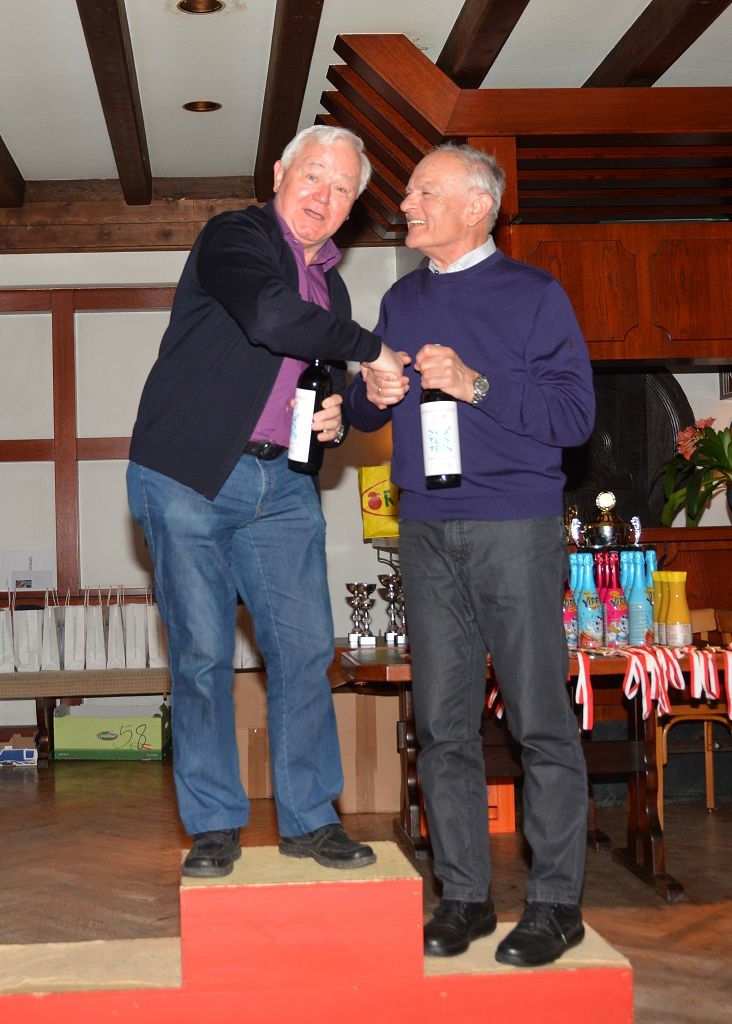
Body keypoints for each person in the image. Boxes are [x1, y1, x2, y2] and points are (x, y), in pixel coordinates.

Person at [127, 124, 406, 878]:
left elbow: (319, 382)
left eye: (342, 187)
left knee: (306, 649)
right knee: (202, 655)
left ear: (352, 206)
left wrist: (339, 410)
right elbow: (270, 318)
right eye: (313, 175)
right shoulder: (235, 237)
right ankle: (215, 823)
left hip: (282, 485)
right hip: (188, 473)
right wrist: (371, 349)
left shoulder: (333, 287)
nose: (323, 196)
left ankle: (311, 820)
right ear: (280, 171)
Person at [345, 143, 596, 967]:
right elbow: (366, 407)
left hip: (513, 526)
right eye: (410, 192)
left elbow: (574, 419)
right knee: (443, 725)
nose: (406, 204)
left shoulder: (534, 295)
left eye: (425, 191)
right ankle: (464, 897)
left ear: (477, 207)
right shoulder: (401, 298)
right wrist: (369, 393)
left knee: (538, 720)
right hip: (423, 527)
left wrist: (475, 383)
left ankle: (555, 905)